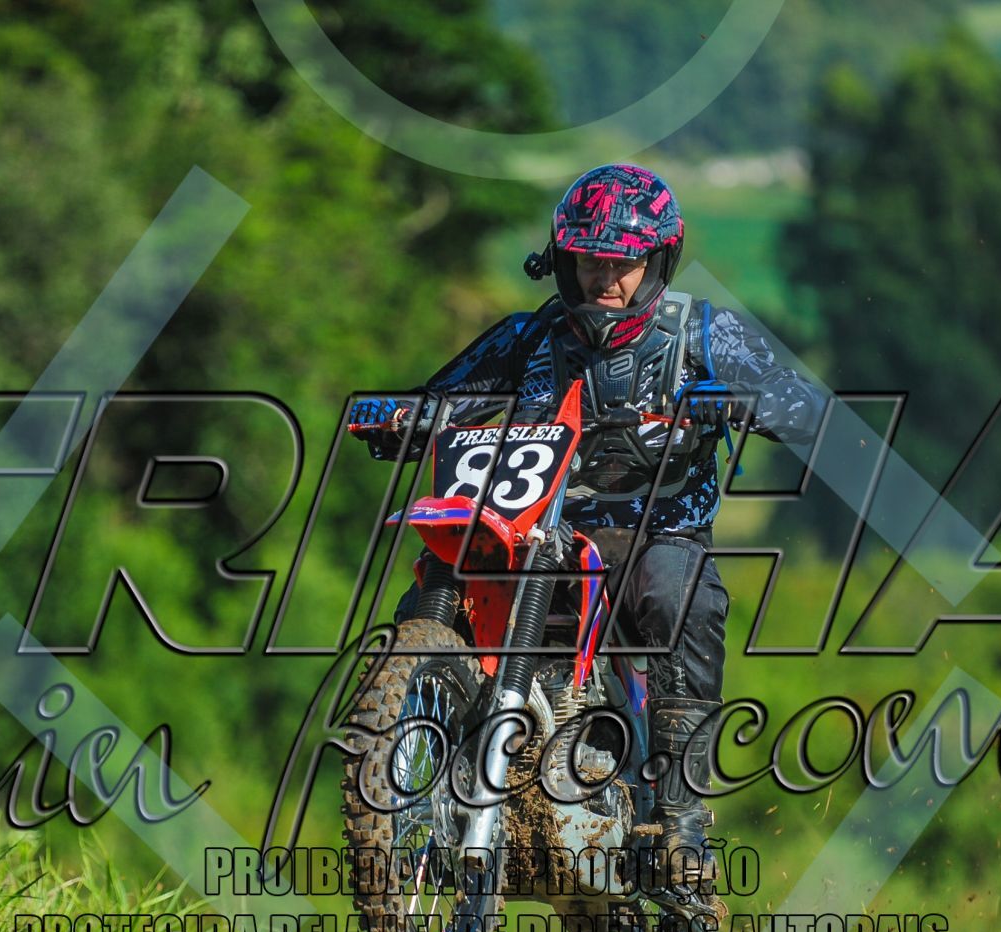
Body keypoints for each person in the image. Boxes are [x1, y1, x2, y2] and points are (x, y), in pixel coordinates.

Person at [348, 163, 829, 887]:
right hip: (540, 532)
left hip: (656, 535)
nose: (606, 279)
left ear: (657, 261)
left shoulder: (703, 333)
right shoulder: (528, 337)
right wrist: (400, 417)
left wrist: (737, 401)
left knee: (677, 597)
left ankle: (681, 822)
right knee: (439, 583)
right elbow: (442, 399)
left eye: (623, 263)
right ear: (562, 261)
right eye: (589, 262)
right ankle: (418, 772)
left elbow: (809, 406)